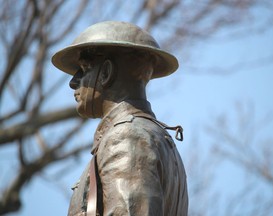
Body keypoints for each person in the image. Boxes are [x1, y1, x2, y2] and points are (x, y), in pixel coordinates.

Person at [52, 21, 188, 216]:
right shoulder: (158, 139)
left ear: (106, 73)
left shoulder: (127, 137)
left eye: (84, 68)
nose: (73, 82)